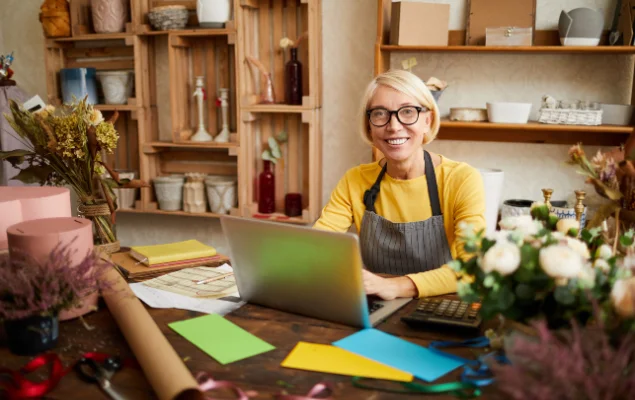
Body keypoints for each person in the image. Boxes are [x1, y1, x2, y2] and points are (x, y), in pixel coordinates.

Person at [313, 69, 486, 300]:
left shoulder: (461, 179)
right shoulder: (355, 180)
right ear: (369, 126)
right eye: (380, 114)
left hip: (440, 308)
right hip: (376, 307)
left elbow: (471, 269)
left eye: (407, 112)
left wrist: (394, 287)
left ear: (428, 120)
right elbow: (317, 246)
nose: (393, 126)